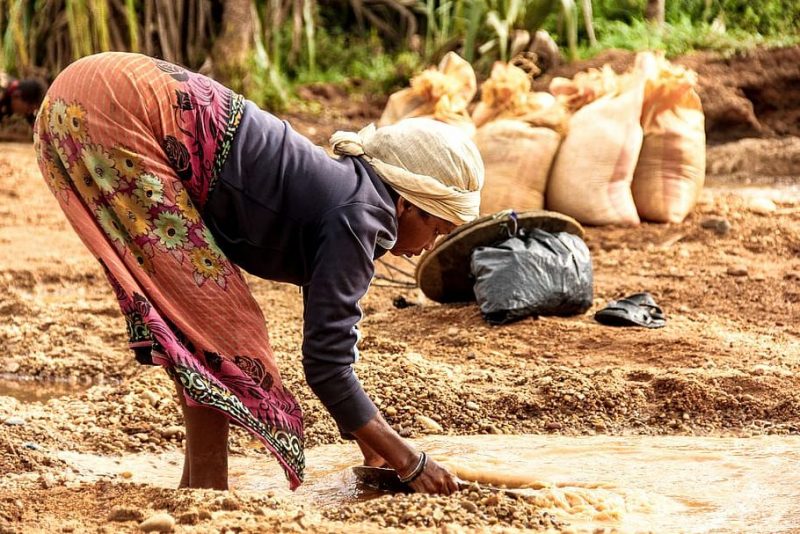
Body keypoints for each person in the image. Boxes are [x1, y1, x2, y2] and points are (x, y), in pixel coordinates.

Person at [33, 52, 483, 494]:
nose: (428, 246)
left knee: (193, 325)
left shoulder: (347, 195)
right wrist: (411, 462)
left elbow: (332, 338)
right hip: (121, 109)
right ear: (406, 203)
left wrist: (371, 440)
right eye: (437, 228)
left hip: (88, 95)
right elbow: (326, 364)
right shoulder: (361, 215)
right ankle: (208, 495)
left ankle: (199, 488)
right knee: (217, 330)